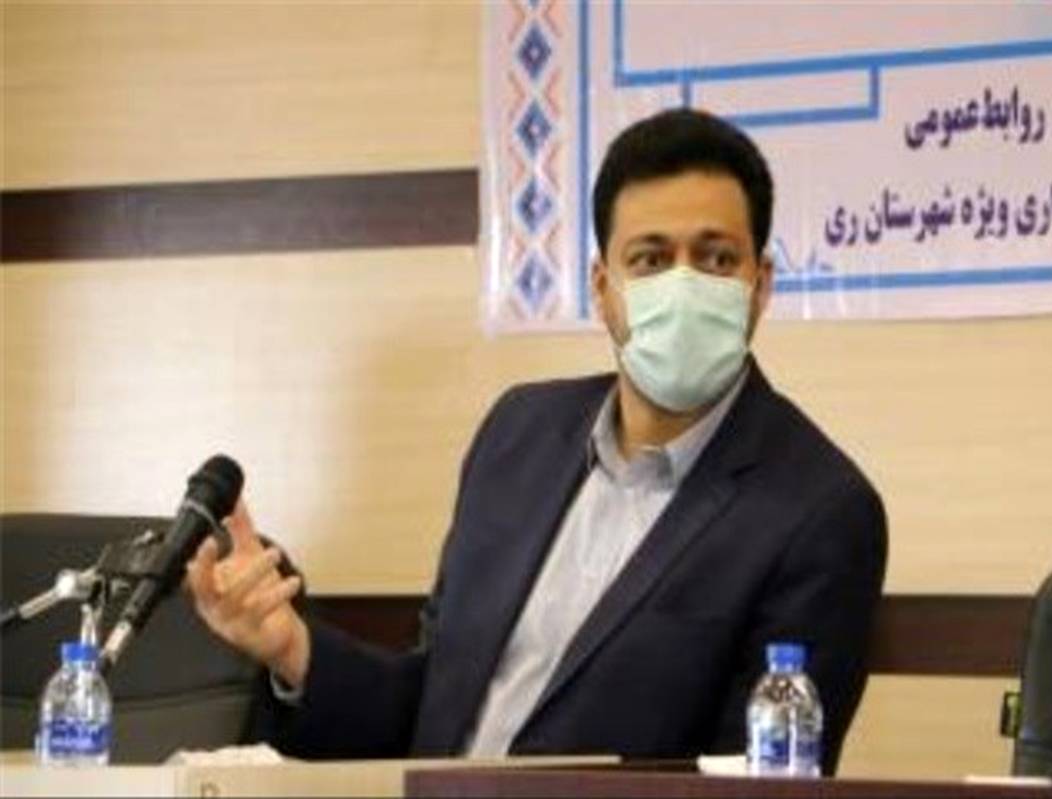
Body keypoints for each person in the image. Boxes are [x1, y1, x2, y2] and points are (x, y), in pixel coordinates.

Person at [186, 108, 887, 774]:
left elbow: (766, 779)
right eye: (650, 259)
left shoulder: (820, 511)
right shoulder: (518, 435)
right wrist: (292, 647)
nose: (683, 285)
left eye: (715, 258)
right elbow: (435, 711)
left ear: (760, 285)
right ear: (603, 288)